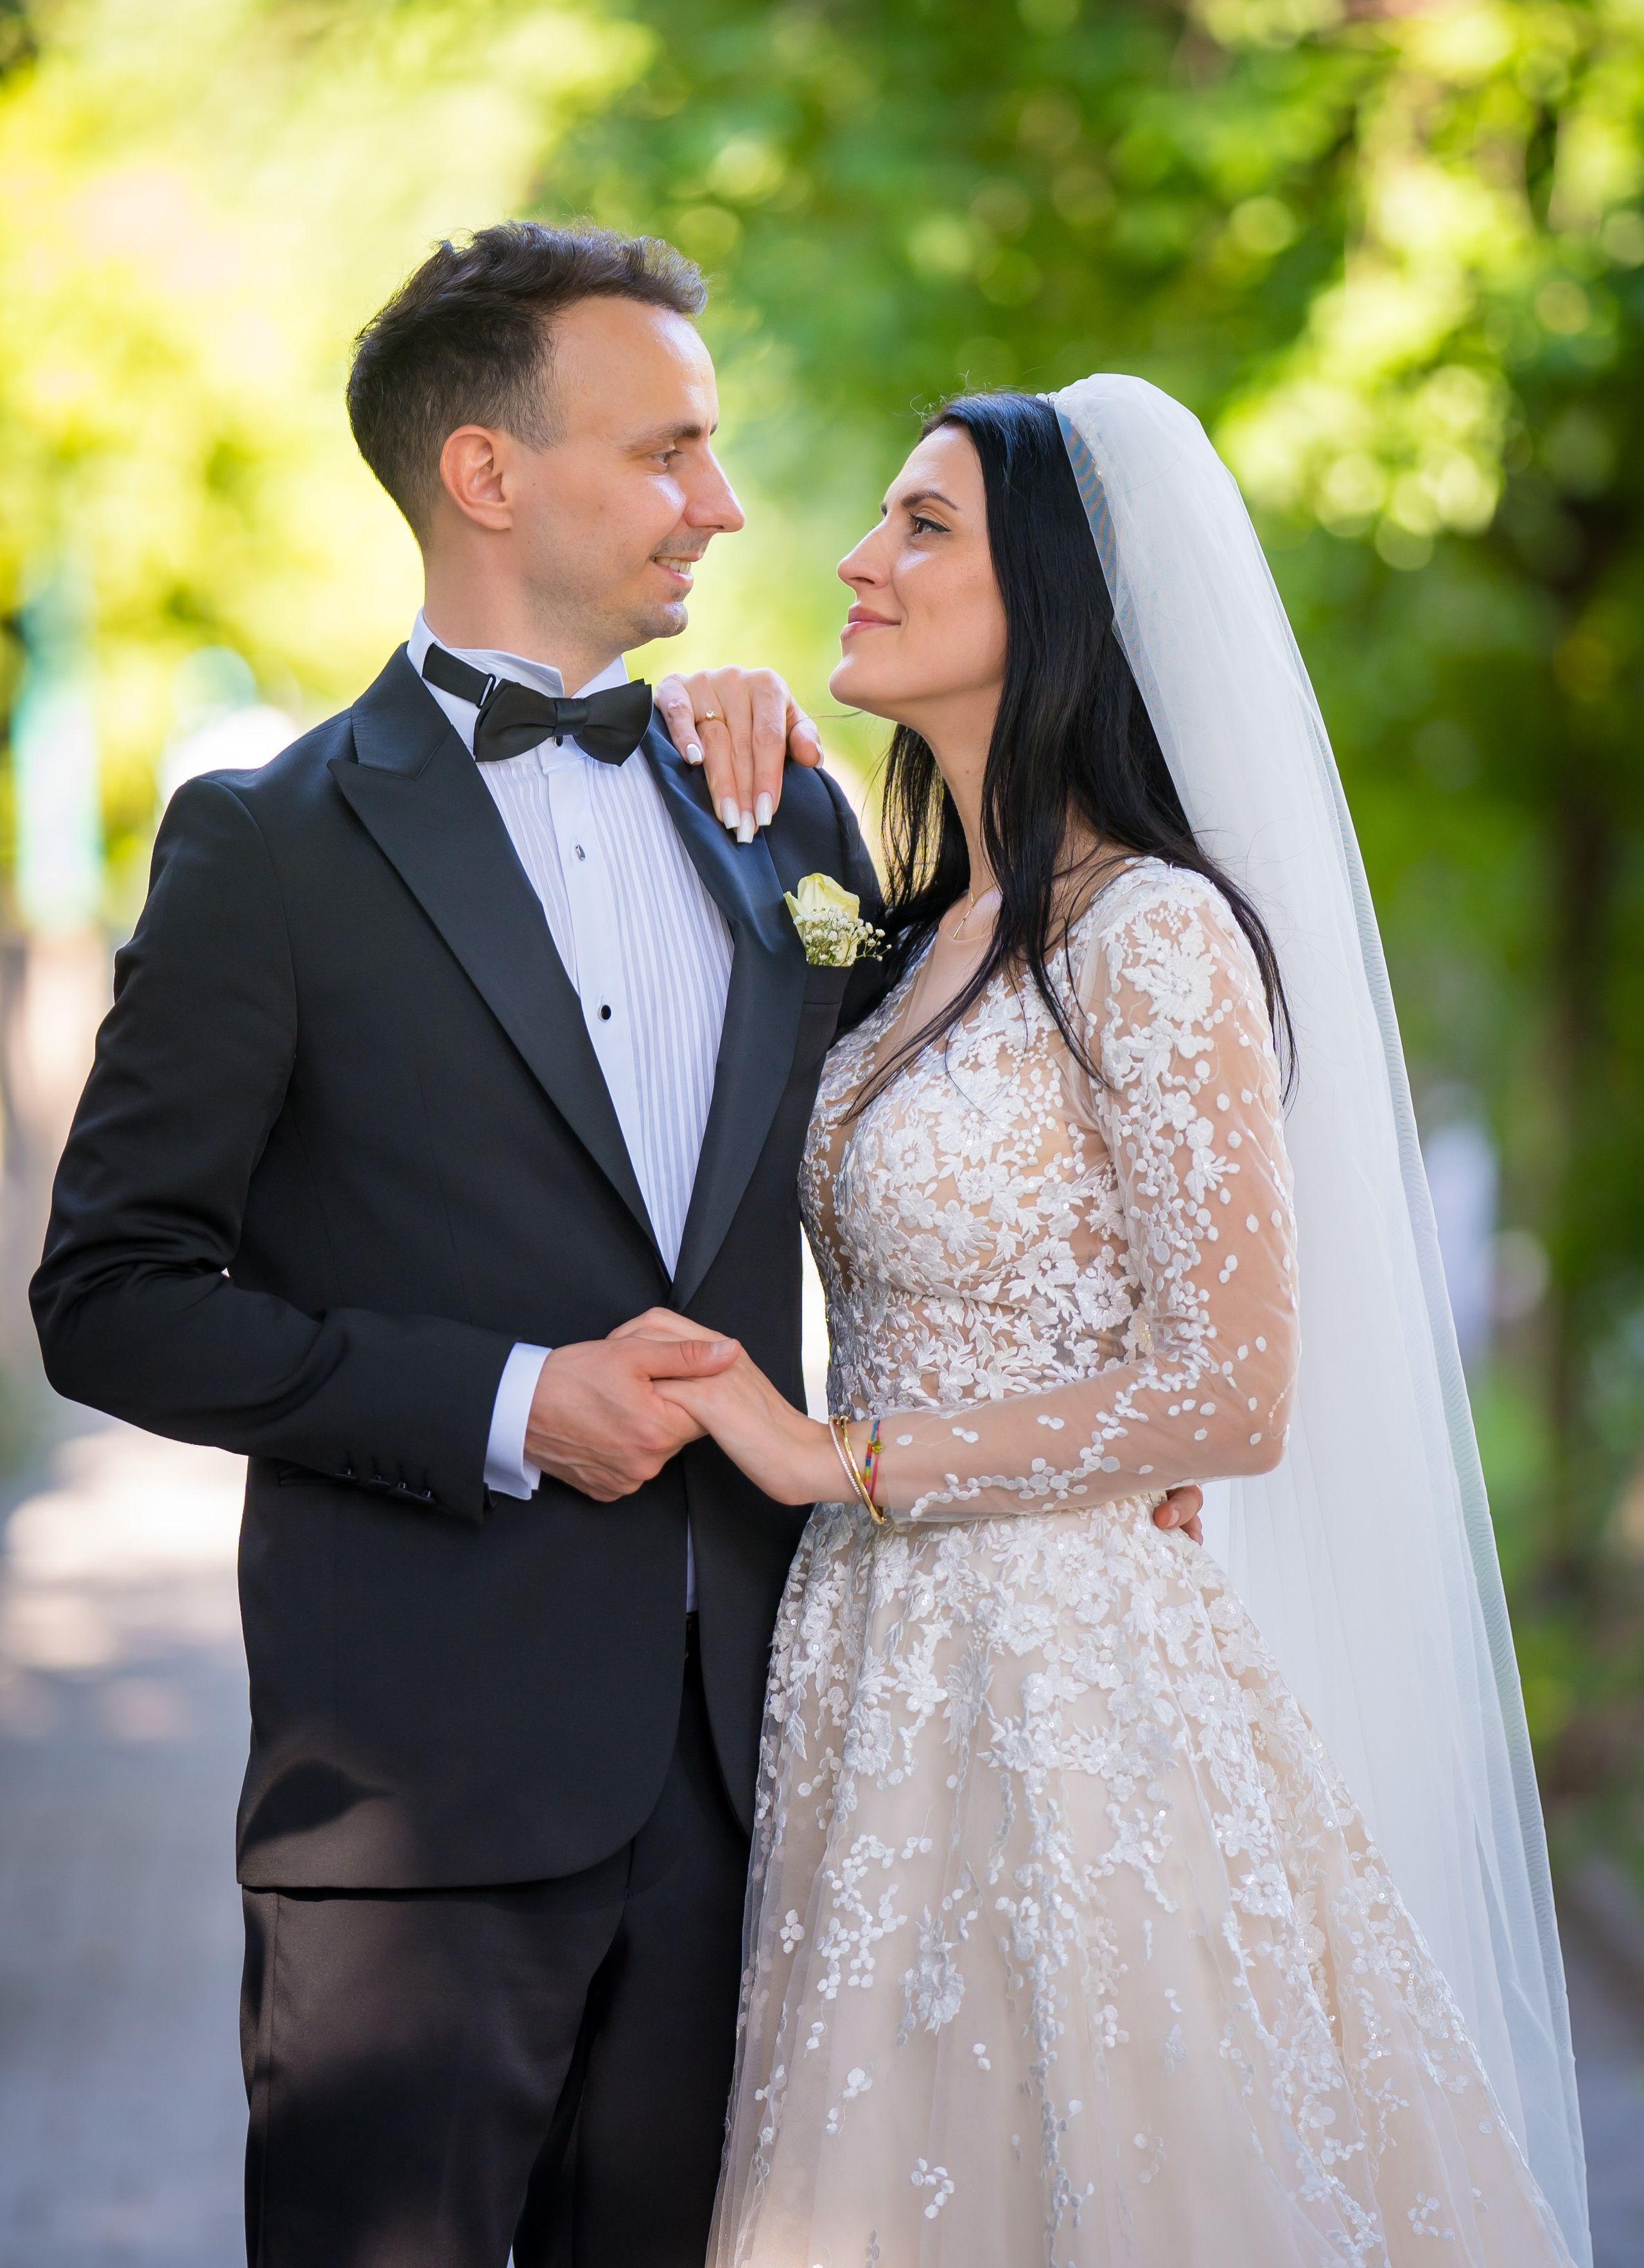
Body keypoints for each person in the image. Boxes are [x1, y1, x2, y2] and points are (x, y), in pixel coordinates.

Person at [27, 222, 1206, 2268]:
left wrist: (1115, 1407)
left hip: (777, 1777)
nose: (727, 506)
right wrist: (500, 1404)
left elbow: (958, 1146)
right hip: (416, 1800)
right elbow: (112, 1299)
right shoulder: (269, 849)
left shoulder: (786, 820)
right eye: (668, 451)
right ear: (489, 477)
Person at [655, 383, 1593, 2265]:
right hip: (865, 1662)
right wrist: (684, 716)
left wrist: (838, 1455)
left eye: (924, 527)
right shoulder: (905, 930)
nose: (854, 556)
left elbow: (1236, 1391)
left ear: (1061, 601)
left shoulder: (1152, 936)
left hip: (1066, 1683)